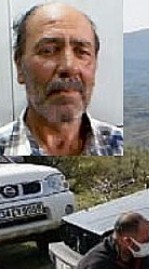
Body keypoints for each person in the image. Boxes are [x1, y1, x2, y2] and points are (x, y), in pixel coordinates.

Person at [0, 2, 122, 156]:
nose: (69, 67)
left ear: (95, 65)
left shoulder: (118, 144)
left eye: (82, 52)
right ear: (19, 67)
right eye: (48, 50)